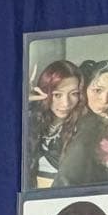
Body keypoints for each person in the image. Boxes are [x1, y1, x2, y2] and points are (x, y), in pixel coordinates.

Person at [56, 60, 108, 185]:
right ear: (85, 87)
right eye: (98, 90)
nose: (104, 100)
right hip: (102, 179)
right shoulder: (77, 117)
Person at [27, 60, 84, 188]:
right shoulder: (32, 119)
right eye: (57, 95)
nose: (66, 103)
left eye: (74, 94)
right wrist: (24, 101)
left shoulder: (83, 126)